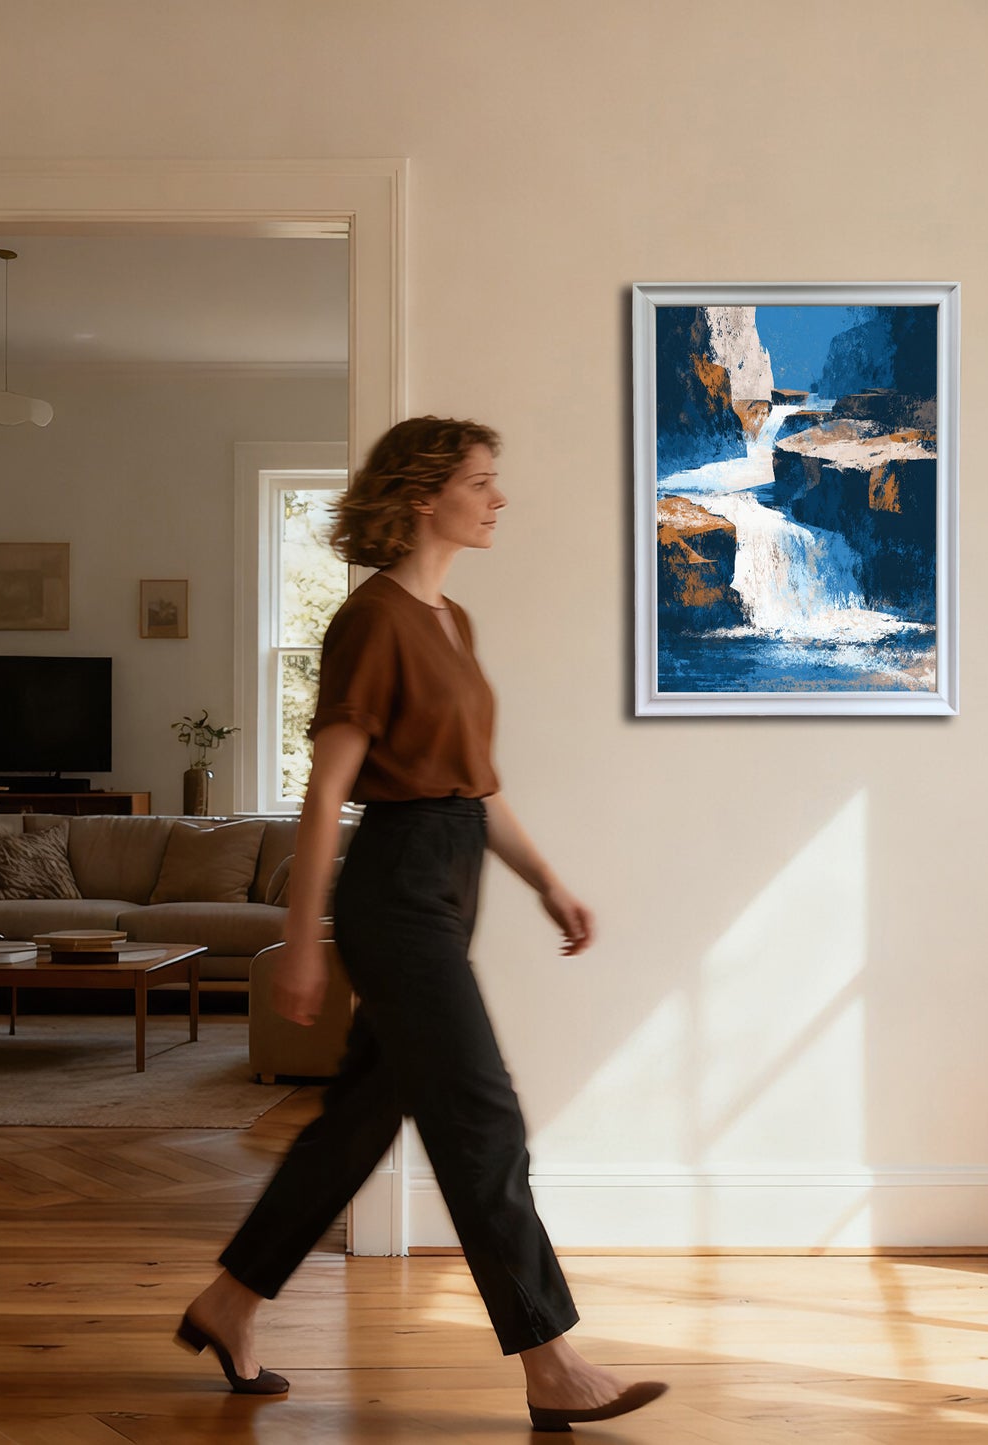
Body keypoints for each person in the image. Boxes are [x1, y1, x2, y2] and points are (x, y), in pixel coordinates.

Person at [174, 416, 667, 1433]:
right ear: (421, 494)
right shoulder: (371, 618)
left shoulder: (453, 621)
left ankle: (231, 1300)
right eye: (481, 482)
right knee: (481, 1114)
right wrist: (302, 940)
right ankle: (550, 1357)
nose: (497, 499)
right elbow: (326, 797)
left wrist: (544, 881)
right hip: (395, 889)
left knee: (359, 1119)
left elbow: (477, 788)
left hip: (448, 875)